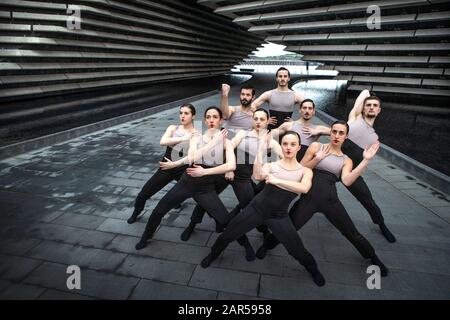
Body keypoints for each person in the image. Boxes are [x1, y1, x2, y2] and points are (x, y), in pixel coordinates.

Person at [255, 120, 389, 278]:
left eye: (341, 133)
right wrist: (318, 158)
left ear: (346, 137)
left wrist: (366, 160)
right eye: (334, 132)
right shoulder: (316, 147)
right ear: (330, 132)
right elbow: (302, 168)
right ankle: (267, 245)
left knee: (352, 233)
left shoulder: (346, 160)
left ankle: (372, 256)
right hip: (308, 200)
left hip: (331, 202)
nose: (337, 136)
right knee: (289, 228)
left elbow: (347, 181)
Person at [200, 131, 326, 287]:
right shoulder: (272, 165)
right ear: (281, 146)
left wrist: (277, 180)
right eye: (285, 144)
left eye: (292, 144)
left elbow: (304, 188)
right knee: (228, 234)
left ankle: (312, 268)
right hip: (255, 209)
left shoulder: (304, 171)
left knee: (296, 249)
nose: (288, 147)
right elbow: (258, 175)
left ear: (299, 147)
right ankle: (214, 253)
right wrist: (260, 151)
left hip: (279, 216)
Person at [135, 107, 253, 259]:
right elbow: (192, 157)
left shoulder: (227, 143)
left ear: (220, 121)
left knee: (225, 220)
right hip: (186, 182)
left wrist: (205, 171)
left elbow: (231, 166)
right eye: (208, 117)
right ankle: (146, 235)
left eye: (215, 117)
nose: (211, 120)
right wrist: (212, 143)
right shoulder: (196, 137)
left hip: (205, 188)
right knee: (158, 211)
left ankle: (246, 244)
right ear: (204, 120)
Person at [180, 109, 281, 243]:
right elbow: (229, 148)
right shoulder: (243, 134)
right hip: (226, 172)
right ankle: (192, 225)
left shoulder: (271, 142)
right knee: (206, 199)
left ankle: (264, 232)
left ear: (268, 121)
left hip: (243, 179)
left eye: (262, 119)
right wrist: (229, 170)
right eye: (255, 118)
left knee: (252, 207)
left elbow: (283, 158)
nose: (258, 122)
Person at [127, 104, 197, 224]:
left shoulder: (196, 134)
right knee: (143, 194)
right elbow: (163, 141)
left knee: (199, 196)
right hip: (165, 168)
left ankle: (180, 204)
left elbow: (192, 155)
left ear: (193, 116)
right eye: (181, 113)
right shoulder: (173, 128)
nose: (182, 116)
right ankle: (136, 212)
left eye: (186, 113)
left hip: (182, 170)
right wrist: (184, 138)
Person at [343, 90, 396, 243]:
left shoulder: (375, 138)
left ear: (379, 110)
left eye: (375, 106)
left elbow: (365, 160)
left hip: (352, 171)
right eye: (368, 105)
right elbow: (364, 92)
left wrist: (360, 169)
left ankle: (382, 225)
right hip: (334, 163)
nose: (371, 107)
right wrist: (369, 93)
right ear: (363, 108)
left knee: (369, 201)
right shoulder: (354, 117)